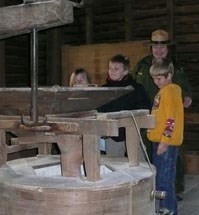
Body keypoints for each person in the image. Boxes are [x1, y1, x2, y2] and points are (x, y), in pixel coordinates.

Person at [132, 29, 192, 200]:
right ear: (151, 48)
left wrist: (187, 97)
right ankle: (153, 190)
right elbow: (135, 86)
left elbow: (184, 88)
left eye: (162, 47)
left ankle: (175, 190)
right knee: (149, 151)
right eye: (155, 47)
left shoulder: (174, 66)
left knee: (172, 156)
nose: (159, 51)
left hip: (168, 117)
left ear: (167, 48)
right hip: (148, 114)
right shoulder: (142, 66)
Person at [147, 58, 184, 215]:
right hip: (159, 142)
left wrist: (165, 141)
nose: (156, 82)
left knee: (164, 181)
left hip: (165, 144)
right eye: (154, 79)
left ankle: (169, 210)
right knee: (160, 180)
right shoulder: (162, 92)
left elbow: (171, 119)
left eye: (159, 78)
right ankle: (163, 210)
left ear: (169, 75)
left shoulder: (171, 91)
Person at [97, 54, 150, 157]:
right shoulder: (103, 90)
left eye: (116, 69)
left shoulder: (136, 89)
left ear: (125, 71)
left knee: (139, 164)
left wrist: (138, 127)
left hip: (132, 132)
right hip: (112, 135)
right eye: (110, 68)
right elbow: (99, 109)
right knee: (115, 165)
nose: (112, 71)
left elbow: (144, 109)